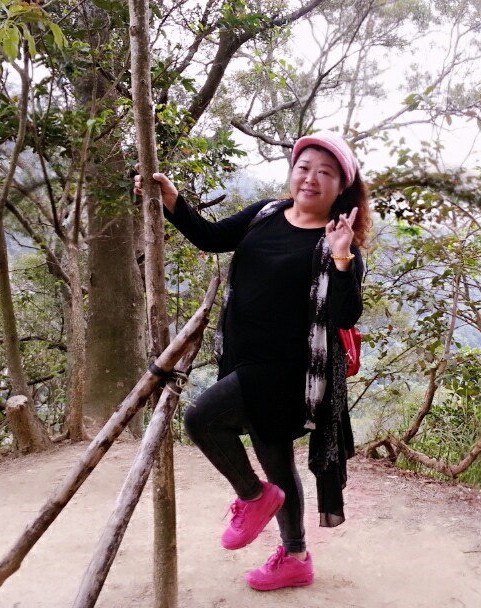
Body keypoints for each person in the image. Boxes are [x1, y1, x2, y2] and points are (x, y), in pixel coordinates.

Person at [134, 131, 371, 591]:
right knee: (275, 460)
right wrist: (173, 201)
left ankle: (252, 497)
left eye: (325, 172)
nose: (311, 178)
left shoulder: (338, 243)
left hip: (288, 372)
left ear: (342, 187)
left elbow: (346, 315)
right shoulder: (267, 212)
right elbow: (213, 237)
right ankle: (296, 558)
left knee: (201, 419)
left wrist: (342, 257)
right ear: (292, 172)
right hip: (245, 358)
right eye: (304, 168)